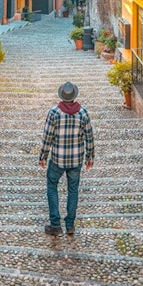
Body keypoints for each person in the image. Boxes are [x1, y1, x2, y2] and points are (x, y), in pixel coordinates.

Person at [39, 81, 95, 236]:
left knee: (52, 187)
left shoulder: (54, 113)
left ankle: (55, 225)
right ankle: (70, 225)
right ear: (74, 96)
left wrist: (43, 156)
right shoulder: (83, 113)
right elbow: (89, 137)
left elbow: (47, 136)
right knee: (73, 191)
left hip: (57, 159)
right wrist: (90, 157)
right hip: (76, 160)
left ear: (62, 96)